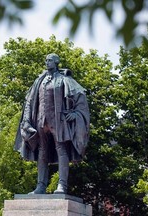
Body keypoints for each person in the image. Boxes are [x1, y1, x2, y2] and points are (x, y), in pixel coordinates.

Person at [14, 53, 90, 194]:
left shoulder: (64, 80)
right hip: (41, 121)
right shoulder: (39, 81)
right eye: (46, 60)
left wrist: (76, 113)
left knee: (62, 150)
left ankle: (62, 185)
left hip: (58, 121)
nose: (47, 62)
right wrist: (27, 120)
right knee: (42, 152)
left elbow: (81, 96)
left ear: (56, 62)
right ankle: (40, 186)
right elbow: (30, 101)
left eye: (50, 60)